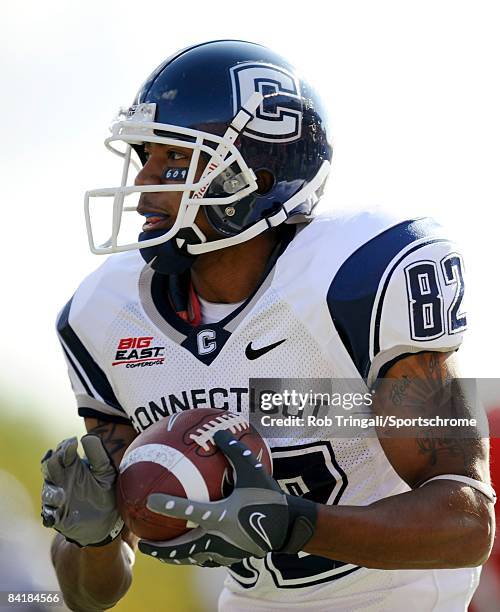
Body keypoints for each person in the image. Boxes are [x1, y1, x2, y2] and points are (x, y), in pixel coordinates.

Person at [40, 40, 496, 611]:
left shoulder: (354, 278)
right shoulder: (104, 316)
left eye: (173, 161)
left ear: (255, 176)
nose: (143, 192)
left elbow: (467, 523)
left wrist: (294, 525)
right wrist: (94, 536)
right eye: (144, 161)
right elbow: (91, 596)